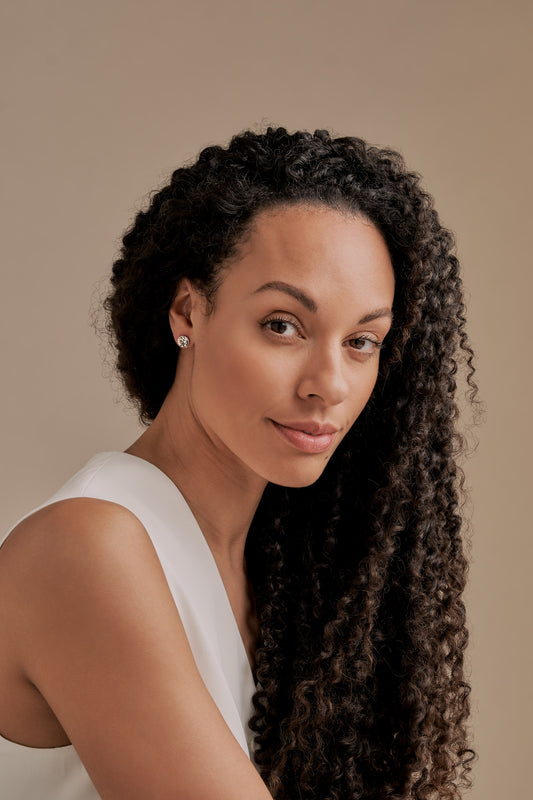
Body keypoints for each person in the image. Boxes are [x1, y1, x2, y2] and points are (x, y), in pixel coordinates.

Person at [0, 127, 476, 800]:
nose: (328, 384)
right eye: (282, 325)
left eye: (362, 341)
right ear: (187, 310)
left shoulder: (278, 576)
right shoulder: (88, 547)